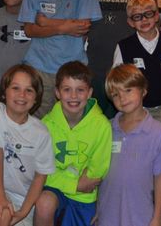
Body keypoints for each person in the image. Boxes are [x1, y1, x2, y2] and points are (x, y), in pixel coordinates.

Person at [18, 0, 102, 117]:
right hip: (39, 67)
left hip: (74, 69)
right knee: (38, 124)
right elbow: (29, 30)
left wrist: (46, 23)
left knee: (73, 122)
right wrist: (65, 27)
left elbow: (82, 28)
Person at [88, 0, 156, 119]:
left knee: (127, 120)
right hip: (97, 63)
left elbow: (151, 25)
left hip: (130, 65)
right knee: (96, 119)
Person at [35, 61, 111, 226]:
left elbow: (96, 173)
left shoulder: (102, 126)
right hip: (55, 189)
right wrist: (74, 185)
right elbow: (41, 172)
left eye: (80, 90)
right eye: (67, 89)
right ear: (57, 92)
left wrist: (81, 186)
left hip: (85, 196)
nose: (74, 96)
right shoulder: (46, 125)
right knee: (44, 203)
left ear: (89, 93)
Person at [0, 64, 56, 226]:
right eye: (15, 88)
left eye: (29, 90)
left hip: (27, 199)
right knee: (3, 213)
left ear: (36, 98)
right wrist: (0, 197)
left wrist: (23, 212)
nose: (22, 95)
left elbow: (40, 176)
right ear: (4, 92)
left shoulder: (42, 132)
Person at [96, 64, 161, 226]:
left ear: (143, 90)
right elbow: (97, 171)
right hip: (108, 213)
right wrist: (97, 209)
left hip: (141, 215)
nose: (122, 98)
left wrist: (157, 217)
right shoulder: (107, 128)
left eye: (128, 90)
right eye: (116, 94)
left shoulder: (157, 131)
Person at [112, 0, 161, 123]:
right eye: (137, 17)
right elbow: (116, 84)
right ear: (131, 22)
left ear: (157, 16)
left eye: (148, 14)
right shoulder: (124, 47)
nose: (144, 20)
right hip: (133, 110)